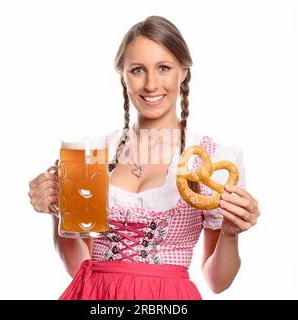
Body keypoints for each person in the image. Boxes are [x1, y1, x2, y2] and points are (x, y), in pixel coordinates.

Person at [28, 16, 260, 300]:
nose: (151, 84)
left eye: (164, 68)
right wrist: (57, 211)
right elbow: (79, 265)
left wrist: (230, 233)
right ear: (123, 75)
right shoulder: (92, 156)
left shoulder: (210, 160)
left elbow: (216, 282)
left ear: (183, 72)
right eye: (138, 70)